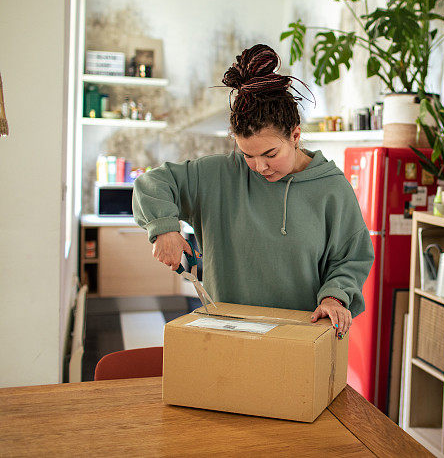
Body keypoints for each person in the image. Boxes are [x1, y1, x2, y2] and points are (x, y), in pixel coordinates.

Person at [132, 44, 373, 338]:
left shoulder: (332, 189)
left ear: (295, 135)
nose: (259, 166)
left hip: (299, 338)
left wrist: (334, 296)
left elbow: (350, 258)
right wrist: (164, 227)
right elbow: (152, 183)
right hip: (227, 334)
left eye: (270, 154)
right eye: (248, 154)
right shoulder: (218, 174)